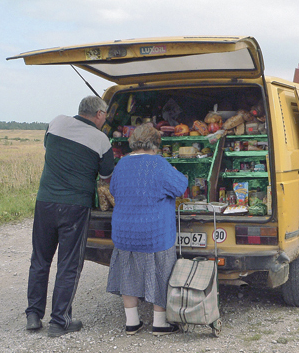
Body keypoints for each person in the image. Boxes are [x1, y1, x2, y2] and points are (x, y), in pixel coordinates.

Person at [25, 96, 114, 337]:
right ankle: (59, 321)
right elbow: (106, 174)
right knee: (69, 264)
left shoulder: (56, 123)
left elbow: (49, 148)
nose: (105, 119)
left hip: (45, 202)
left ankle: (33, 315)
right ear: (98, 114)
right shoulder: (101, 139)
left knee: (40, 259)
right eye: (105, 114)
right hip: (75, 206)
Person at [106, 124, 188, 336]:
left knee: (128, 272)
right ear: (155, 144)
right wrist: (177, 173)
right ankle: (160, 323)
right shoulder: (159, 164)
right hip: (154, 231)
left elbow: (114, 189)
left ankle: (132, 322)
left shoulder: (121, 164)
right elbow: (180, 187)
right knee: (161, 272)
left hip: (125, 231)